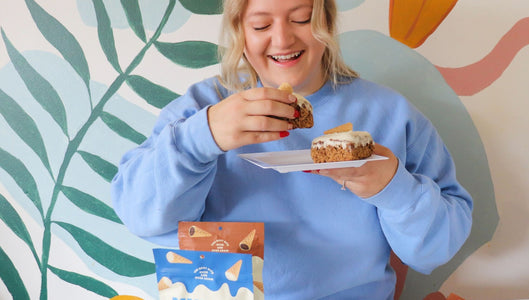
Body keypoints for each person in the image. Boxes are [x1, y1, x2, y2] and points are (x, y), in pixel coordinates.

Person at [111, 0, 473, 298]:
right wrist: (200, 138)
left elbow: (435, 250)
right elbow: (140, 217)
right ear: (240, 31)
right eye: (261, 26)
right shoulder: (201, 107)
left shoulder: (392, 115)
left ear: (327, 22)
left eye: (301, 19)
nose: (282, 40)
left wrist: (393, 187)